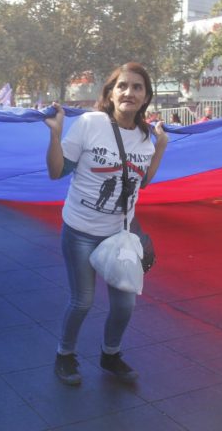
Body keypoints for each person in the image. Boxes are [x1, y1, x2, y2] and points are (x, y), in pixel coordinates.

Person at [44, 62, 168, 385]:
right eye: (122, 86)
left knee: (125, 305)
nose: (129, 92)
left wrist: (160, 148)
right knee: (82, 301)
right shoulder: (90, 124)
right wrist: (55, 135)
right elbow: (56, 172)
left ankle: (110, 355)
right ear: (110, 93)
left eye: (137, 87)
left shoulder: (145, 137)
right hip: (81, 232)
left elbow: (142, 182)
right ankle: (65, 354)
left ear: (146, 97)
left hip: (118, 236)